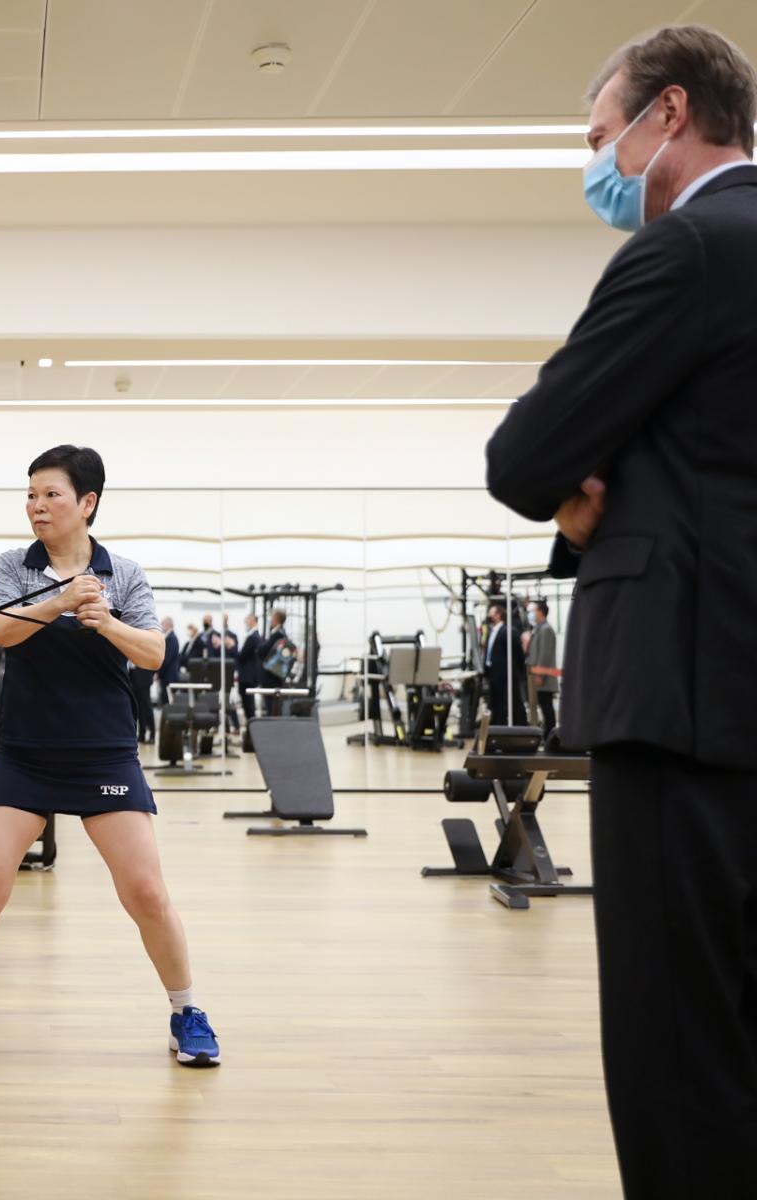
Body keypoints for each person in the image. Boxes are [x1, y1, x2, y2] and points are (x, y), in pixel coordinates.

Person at [485, 24, 757, 1197]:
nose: (597, 167)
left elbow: (525, 452)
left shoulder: (691, 247)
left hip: (682, 700)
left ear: (671, 115)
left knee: (676, 1046)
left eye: (602, 140)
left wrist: (591, 491)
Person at [0, 445, 219, 1068]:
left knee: (146, 892)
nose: (36, 506)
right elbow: (1, 632)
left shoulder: (124, 573)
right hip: (24, 754)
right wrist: (57, 601)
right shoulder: (15, 566)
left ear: (87, 503)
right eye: (30, 494)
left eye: (50, 494)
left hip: (104, 756)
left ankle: (187, 1011)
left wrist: (105, 620)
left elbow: (155, 653)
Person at [482, 602, 527, 726]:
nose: (488, 615)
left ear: (498, 615)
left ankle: (520, 727)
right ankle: (497, 726)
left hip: (506, 675)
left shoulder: (508, 631)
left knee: (512, 702)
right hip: (493, 675)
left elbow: (518, 653)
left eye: (490, 612)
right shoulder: (492, 632)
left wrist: (517, 671)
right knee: (496, 704)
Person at [527, 600, 559, 739]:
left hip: (543, 675)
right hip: (538, 673)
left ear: (540, 612)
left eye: (534, 610)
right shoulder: (539, 628)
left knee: (546, 705)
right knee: (544, 704)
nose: (532, 613)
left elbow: (545, 654)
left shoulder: (545, 629)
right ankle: (547, 733)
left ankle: (550, 735)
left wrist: (540, 674)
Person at [238, 612, 264, 720]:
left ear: (253, 621)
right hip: (248, 676)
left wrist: (232, 647)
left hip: (248, 677)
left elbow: (243, 655)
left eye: (247, 621)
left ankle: (251, 728)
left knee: (249, 705)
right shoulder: (254, 637)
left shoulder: (253, 638)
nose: (245, 624)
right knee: (247, 705)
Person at [158, 616, 181, 705]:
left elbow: (166, 659)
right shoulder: (169, 638)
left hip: (169, 677)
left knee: (168, 702)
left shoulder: (172, 638)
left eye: (162, 624)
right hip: (167, 676)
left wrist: (158, 672)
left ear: (167, 625)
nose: (161, 626)